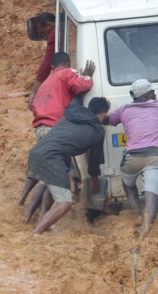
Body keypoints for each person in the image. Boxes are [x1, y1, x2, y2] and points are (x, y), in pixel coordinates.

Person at [19, 52, 96, 220]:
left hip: (40, 128)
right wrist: (87, 76)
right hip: (54, 129)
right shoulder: (66, 73)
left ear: (52, 67)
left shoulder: (46, 83)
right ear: (68, 63)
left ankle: (29, 210)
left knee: (48, 175)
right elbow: (82, 86)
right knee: (55, 178)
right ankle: (42, 217)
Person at [30, 98, 110, 235]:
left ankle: (41, 223)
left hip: (36, 152)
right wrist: (94, 181)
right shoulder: (98, 132)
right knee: (65, 204)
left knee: (52, 187)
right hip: (52, 158)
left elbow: (75, 98)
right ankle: (36, 233)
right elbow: (93, 161)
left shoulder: (72, 111)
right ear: (102, 114)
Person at [108, 79, 158, 239]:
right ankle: (142, 238)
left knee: (127, 182)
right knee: (151, 200)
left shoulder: (123, 109)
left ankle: (137, 212)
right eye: (153, 91)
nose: (155, 93)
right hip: (155, 157)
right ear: (147, 94)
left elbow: (108, 120)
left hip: (132, 158)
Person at [27, 12, 56, 109]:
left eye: (43, 32)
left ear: (49, 25)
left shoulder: (54, 35)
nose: (44, 36)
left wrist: (34, 92)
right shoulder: (60, 30)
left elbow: (47, 63)